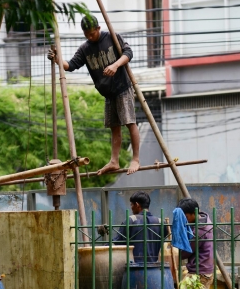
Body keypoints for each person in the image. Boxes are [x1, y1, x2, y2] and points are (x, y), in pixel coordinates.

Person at [47, 15, 140, 175]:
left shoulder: (111, 36)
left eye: (92, 33)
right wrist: (57, 59)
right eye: (87, 34)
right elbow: (70, 65)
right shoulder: (85, 48)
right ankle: (114, 161)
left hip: (122, 87)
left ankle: (136, 159)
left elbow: (128, 52)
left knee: (130, 122)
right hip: (107, 93)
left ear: (98, 29)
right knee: (114, 127)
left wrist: (115, 65)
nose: (90, 37)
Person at [111, 191, 161, 263]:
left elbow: (117, 242)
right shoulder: (159, 222)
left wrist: (105, 245)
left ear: (137, 205)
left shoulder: (131, 220)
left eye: (131, 205)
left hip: (135, 269)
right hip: (154, 268)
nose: (131, 208)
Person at [177, 198, 214, 289]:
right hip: (204, 269)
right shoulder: (205, 219)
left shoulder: (200, 230)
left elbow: (185, 252)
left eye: (186, 217)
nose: (184, 220)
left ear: (194, 213)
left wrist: (176, 250)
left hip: (200, 272)